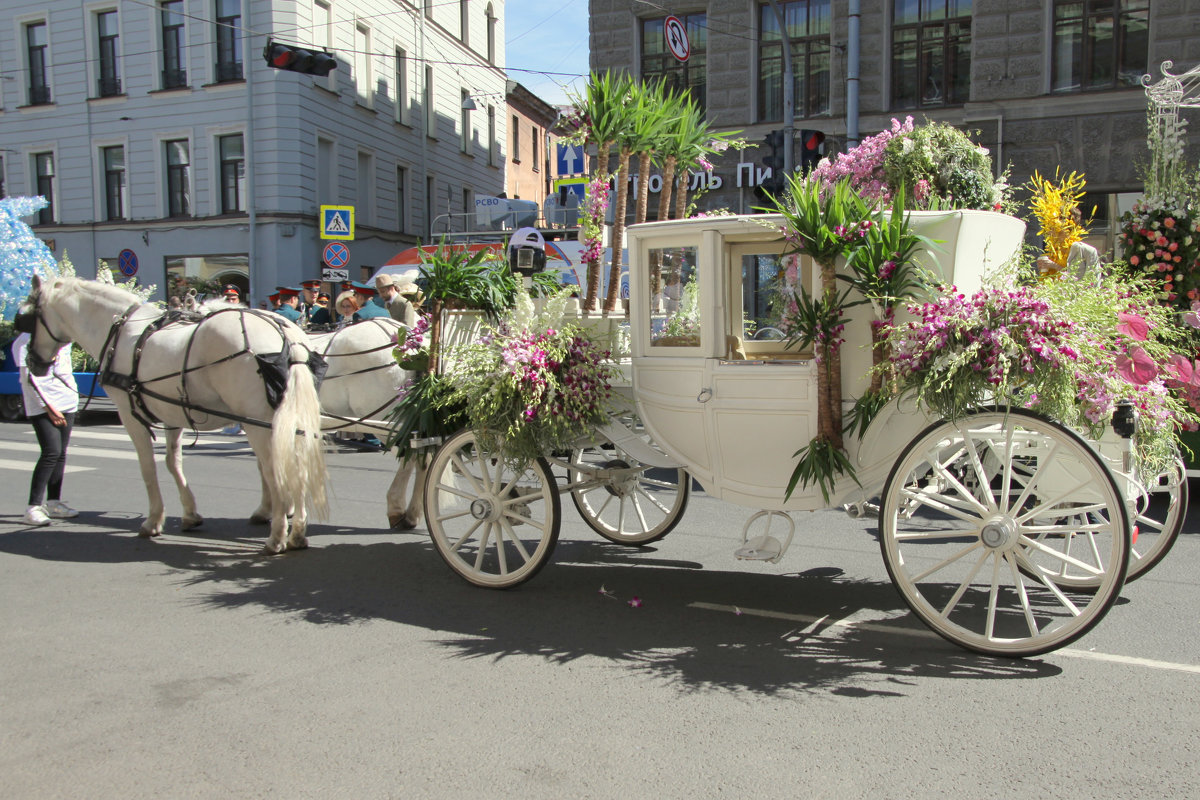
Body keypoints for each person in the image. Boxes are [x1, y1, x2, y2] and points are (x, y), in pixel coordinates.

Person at [14, 332, 79, 526]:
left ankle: (53, 502)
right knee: (51, 452)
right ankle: (33, 507)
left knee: (60, 454)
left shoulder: (63, 337)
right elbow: (29, 379)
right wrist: (49, 408)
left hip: (67, 402)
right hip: (43, 406)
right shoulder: (26, 340)